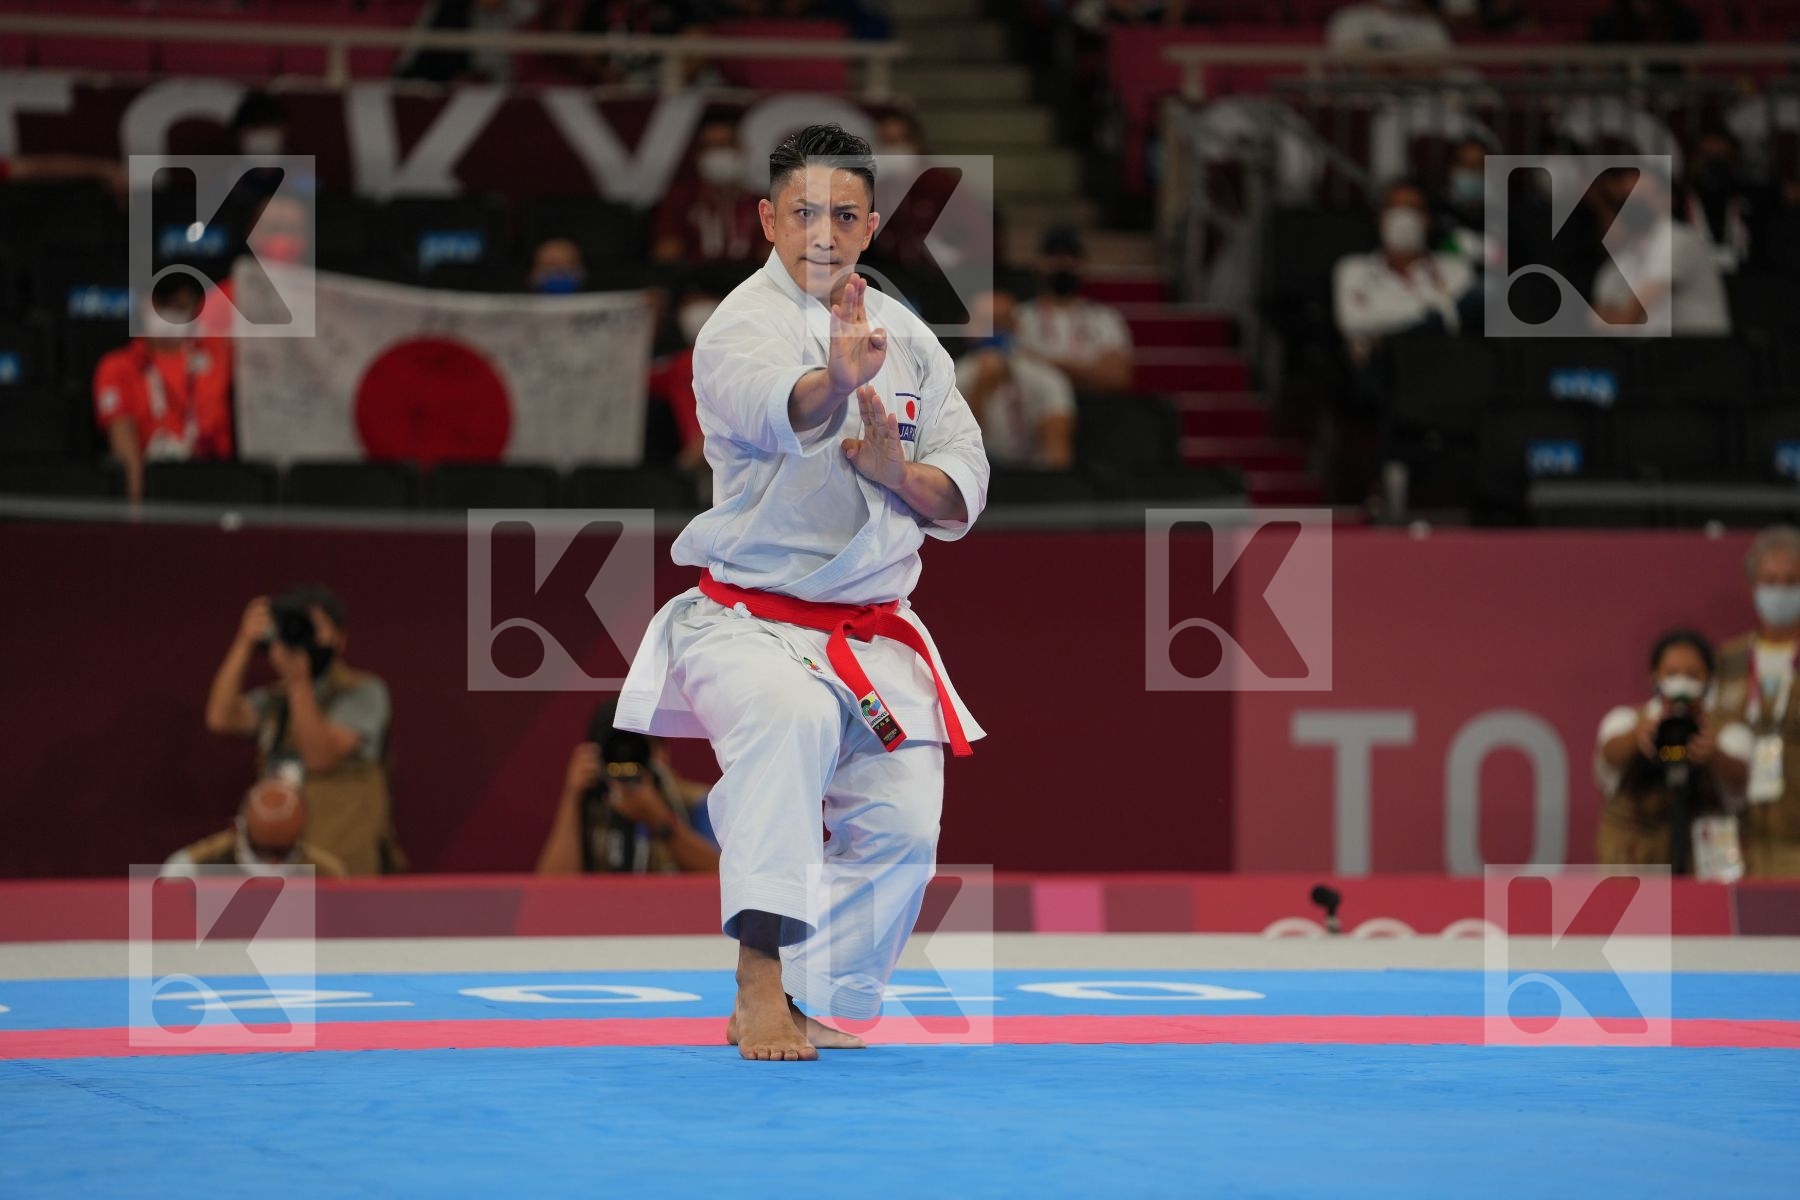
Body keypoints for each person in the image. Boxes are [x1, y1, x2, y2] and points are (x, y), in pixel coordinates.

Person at [616, 123, 988, 1061]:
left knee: (906, 825)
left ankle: (823, 999)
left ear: (870, 228)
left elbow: (964, 475)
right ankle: (758, 983)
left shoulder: (909, 337)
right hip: (748, 621)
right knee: (789, 725)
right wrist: (837, 381)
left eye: (845, 215)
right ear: (768, 220)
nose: (824, 232)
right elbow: (788, 408)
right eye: (804, 213)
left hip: (869, 630)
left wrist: (900, 476)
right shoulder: (735, 329)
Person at [204, 585, 403, 877]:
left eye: (313, 629)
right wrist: (245, 642)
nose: (303, 640)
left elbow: (319, 756)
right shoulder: (276, 699)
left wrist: (299, 683)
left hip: (342, 866)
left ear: (340, 637)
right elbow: (221, 718)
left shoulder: (363, 692)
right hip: (281, 864)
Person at [1594, 629, 1749, 875]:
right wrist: (1638, 737)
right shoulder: (1629, 720)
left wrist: (1713, 754)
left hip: (1703, 864)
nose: (1682, 682)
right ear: (1655, 676)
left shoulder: (1725, 730)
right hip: (1635, 862)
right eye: (1672, 673)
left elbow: (1741, 781)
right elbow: (1609, 754)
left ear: (1709, 679)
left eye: (1692, 674)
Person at [1707, 527, 1800, 876]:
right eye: (1771, 581)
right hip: (1733, 843)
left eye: (1792, 582)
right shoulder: (1725, 661)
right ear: (1752, 587)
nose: (1781, 591)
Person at [92, 275, 234, 503]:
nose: (169, 313)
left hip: (215, 485)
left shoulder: (217, 356)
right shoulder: (118, 367)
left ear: (195, 306)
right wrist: (137, 515)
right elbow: (124, 444)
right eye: (162, 304)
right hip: (152, 488)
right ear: (144, 304)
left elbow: (248, 290)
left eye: (179, 306)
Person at [536, 702, 719, 874]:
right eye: (616, 749)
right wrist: (573, 796)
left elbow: (721, 880)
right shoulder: (590, 805)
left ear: (663, 753)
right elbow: (550, 893)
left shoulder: (696, 803)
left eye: (638, 747)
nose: (627, 758)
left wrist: (661, 822)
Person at [1333, 178, 1476, 367]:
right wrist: (1433, 315)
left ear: (1428, 219)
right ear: (1380, 217)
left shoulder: (1456, 269)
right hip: (1384, 373)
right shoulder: (1352, 269)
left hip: (1444, 367)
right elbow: (1353, 322)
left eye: (1412, 208)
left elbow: (1456, 327)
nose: (1402, 216)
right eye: (1393, 208)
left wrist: (1382, 333)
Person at [1588, 164, 1730, 335]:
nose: (1633, 205)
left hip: (1704, 354)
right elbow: (1596, 319)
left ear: (1667, 199)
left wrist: (1614, 319)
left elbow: (1629, 318)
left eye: (1643, 196)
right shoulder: (1628, 254)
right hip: (1657, 354)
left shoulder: (1677, 238)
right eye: (1628, 199)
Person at [955, 286, 1076, 469]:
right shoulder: (951, 377)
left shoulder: (1047, 378)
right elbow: (957, 447)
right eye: (986, 322)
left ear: (1015, 325)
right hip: (979, 476)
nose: (993, 331)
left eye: (1001, 323)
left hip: (1036, 480)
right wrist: (980, 388)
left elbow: (1057, 453)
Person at [1012, 226, 1133, 395]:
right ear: (1039, 263)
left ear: (1082, 263)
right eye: (1054, 256)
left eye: (1070, 256)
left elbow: (1116, 377)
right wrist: (1087, 371)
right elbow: (1015, 376)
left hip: (1096, 406)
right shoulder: (1021, 316)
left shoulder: (1106, 318)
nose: (1062, 263)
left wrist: (1043, 364)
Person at [163, 770, 349, 879]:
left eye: (283, 853)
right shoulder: (190, 872)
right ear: (237, 831)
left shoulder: (328, 876)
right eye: (262, 851)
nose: (273, 863)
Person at [652, 116, 764, 267]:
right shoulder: (680, 200)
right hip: (696, 282)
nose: (719, 153)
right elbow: (666, 253)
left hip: (749, 282)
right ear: (699, 154)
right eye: (711, 146)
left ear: (740, 149)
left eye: (726, 144)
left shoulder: (762, 203)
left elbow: (775, 255)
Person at [1325, 0, 1454, 53]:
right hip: (1368, 96)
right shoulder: (1349, 18)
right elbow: (1346, 58)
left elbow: (1441, 59)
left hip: (1425, 95)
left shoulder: (1426, 21)